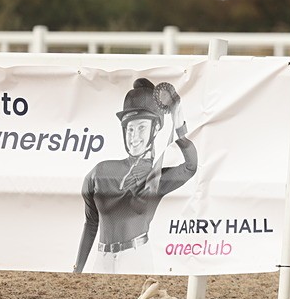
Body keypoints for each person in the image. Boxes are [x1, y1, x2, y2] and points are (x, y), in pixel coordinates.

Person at [73, 78, 198, 273]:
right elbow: (91, 222)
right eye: (130, 129)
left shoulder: (156, 177)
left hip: (136, 257)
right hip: (102, 259)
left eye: (141, 127)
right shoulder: (100, 171)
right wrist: (77, 269)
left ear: (155, 128)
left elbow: (191, 166)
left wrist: (178, 120)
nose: (134, 136)